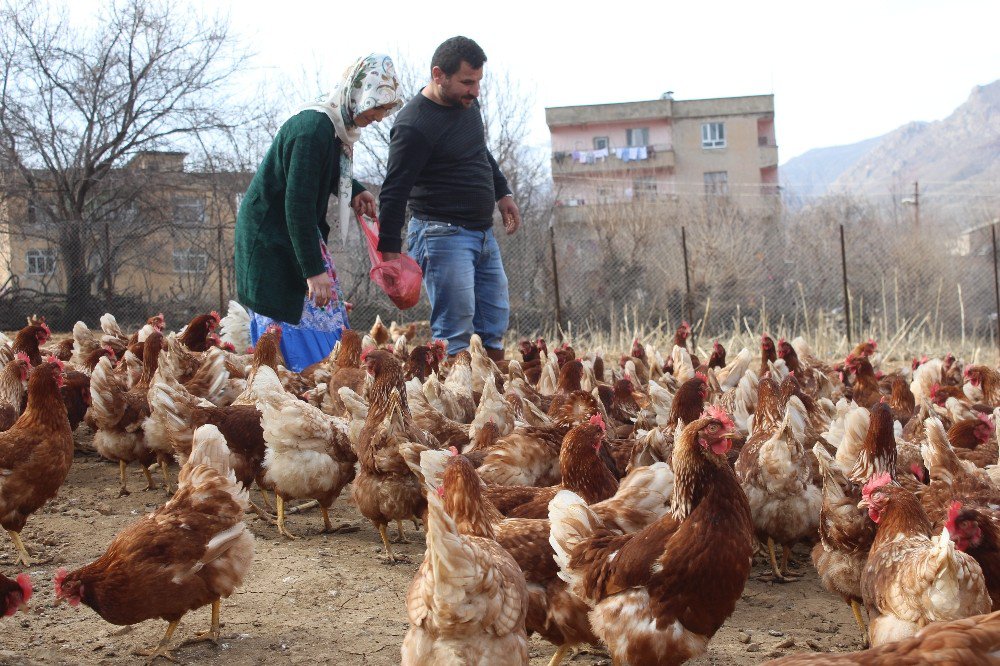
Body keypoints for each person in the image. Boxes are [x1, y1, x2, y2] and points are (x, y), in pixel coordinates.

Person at [235, 54, 403, 371]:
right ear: (359, 94)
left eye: (385, 109)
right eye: (378, 106)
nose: (381, 116)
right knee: (294, 321)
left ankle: (312, 390)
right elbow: (296, 203)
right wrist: (313, 270)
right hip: (272, 240)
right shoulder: (312, 131)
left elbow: (317, 174)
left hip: (291, 233)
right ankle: (297, 391)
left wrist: (353, 189)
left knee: (323, 316)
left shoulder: (330, 129)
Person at [377, 36, 520, 363]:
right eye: (467, 82)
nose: (475, 91)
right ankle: (455, 406)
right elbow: (394, 191)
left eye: (479, 81)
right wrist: (389, 254)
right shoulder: (414, 125)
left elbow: (479, 152)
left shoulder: (467, 105)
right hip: (440, 235)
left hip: (482, 234)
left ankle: (493, 404)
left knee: (493, 323)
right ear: (438, 74)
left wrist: (503, 192)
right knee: (455, 331)